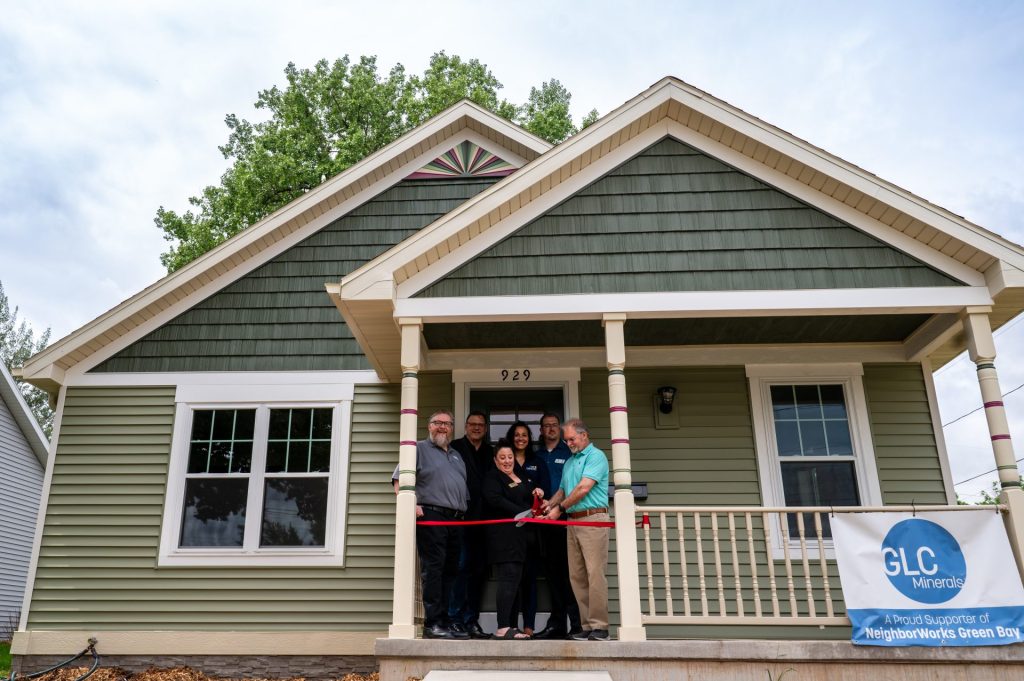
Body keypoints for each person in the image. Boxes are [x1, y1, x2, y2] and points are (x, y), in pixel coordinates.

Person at [391, 409, 469, 640]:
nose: (442, 427)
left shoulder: (456, 455)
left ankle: (445, 620)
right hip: (431, 515)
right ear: (429, 426)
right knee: (434, 570)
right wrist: (410, 504)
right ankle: (433, 623)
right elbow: (399, 481)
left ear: (452, 428)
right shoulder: (417, 449)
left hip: (456, 519)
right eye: (437, 422)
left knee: (450, 571)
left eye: (447, 423)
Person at [541, 418, 610, 641]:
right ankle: (586, 625)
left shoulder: (596, 456)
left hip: (593, 519)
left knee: (594, 573)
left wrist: (558, 509)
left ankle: (600, 626)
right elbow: (563, 490)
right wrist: (548, 505)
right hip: (572, 522)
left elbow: (583, 488)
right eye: (567, 439)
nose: (569, 443)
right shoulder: (570, 462)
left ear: (584, 435)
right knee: (577, 576)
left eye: (572, 439)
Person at [481, 439, 544, 640]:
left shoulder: (523, 477)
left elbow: (532, 494)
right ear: (495, 460)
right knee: (508, 580)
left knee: (517, 582)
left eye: (510, 457)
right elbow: (495, 500)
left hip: (523, 540)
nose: (507, 461)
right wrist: (523, 512)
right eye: (502, 457)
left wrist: (539, 493)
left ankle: (512, 627)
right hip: (503, 538)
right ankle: (502, 627)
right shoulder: (492, 478)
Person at [531, 412, 583, 640]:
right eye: (546, 426)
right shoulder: (535, 455)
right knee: (552, 573)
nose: (550, 429)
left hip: (567, 519)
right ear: (541, 430)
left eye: (554, 425)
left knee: (571, 573)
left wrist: (558, 507)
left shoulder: (569, 454)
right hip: (543, 521)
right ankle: (557, 624)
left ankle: (578, 624)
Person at [447, 411, 494, 639]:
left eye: (480, 425)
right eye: (472, 424)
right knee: (460, 569)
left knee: (478, 571)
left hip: (485, 522)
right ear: (465, 427)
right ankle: (454, 618)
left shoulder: (490, 452)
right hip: (461, 520)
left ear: (485, 429)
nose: (476, 428)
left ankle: (471, 621)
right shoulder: (454, 448)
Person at [505, 421, 549, 636]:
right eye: (516, 435)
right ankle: (511, 625)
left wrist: (541, 494)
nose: (520, 438)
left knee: (529, 579)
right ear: (511, 438)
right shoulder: (505, 463)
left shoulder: (537, 461)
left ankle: (529, 625)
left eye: (524, 435)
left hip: (532, 530)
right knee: (511, 578)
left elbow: (547, 492)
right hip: (510, 530)